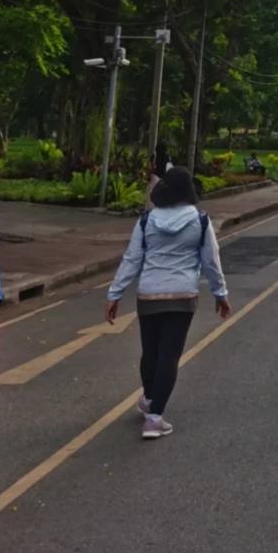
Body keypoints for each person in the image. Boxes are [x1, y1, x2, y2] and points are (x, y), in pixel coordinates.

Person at [106, 166, 231, 439]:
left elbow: (132, 259)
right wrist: (220, 293)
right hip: (182, 297)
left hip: (149, 294)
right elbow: (211, 260)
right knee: (169, 357)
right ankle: (154, 417)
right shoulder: (200, 221)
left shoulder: (146, 220)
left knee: (149, 353)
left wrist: (115, 294)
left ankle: (150, 398)